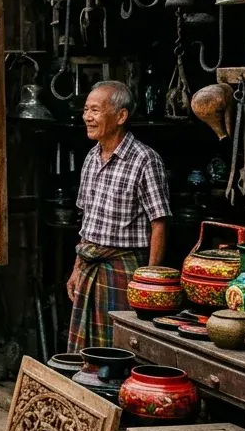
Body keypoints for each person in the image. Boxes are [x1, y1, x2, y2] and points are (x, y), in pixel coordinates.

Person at [67, 81, 171, 351]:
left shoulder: (145, 159)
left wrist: (150, 283)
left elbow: (159, 222)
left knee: (120, 349)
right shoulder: (91, 157)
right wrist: (77, 268)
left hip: (124, 270)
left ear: (121, 116)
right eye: (86, 110)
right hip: (90, 264)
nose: (87, 117)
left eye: (95, 110)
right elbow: (86, 219)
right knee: (86, 351)